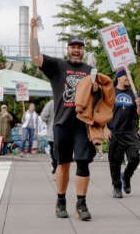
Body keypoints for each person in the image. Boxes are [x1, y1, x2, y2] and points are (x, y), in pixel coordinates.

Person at [32, 18, 98, 221]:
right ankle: (61, 201)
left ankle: (81, 204)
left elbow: (99, 96)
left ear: (83, 51)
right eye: (73, 47)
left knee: (83, 163)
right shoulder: (58, 66)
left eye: (80, 47)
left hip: (82, 125)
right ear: (67, 49)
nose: (76, 50)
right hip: (61, 124)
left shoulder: (90, 70)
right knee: (63, 164)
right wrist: (33, 31)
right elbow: (35, 57)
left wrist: (96, 88)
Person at [105, 67, 140, 198]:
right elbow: (103, 111)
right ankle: (116, 186)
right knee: (115, 162)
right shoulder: (111, 92)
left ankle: (126, 177)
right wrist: (105, 128)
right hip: (115, 131)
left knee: (136, 157)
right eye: (125, 76)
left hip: (130, 132)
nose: (128, 79)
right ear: (119, 77)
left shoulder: (133, 92)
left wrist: (139, 106)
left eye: (130, 76)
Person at [41, 99, 57, 174]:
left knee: (53, 150)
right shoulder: (68, 102)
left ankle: (55, 165)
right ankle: (60, 167)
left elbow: (43, 116)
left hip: (52, 131)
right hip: (66, 133)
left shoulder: (51, 103)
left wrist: (49, 122)